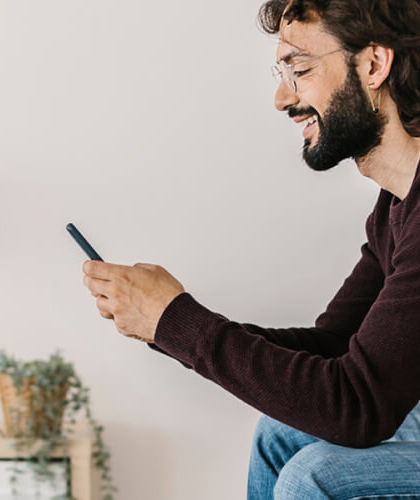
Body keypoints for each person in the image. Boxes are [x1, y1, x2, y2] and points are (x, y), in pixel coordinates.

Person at [80, 0, 420, 498]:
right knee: (279, 435)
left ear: (373, 64)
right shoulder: (395, 207)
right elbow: (334, 345)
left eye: (300, 69)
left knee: (316, 476)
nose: (283, 98)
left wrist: (176, 321)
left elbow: (358, 406)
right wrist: (166, 323)